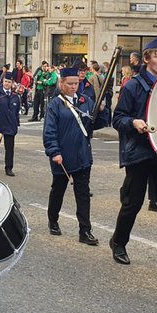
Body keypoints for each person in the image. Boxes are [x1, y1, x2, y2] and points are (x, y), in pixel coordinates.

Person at [109, 36, 157, 278]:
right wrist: (134, 122)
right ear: (146, 59)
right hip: (140, 152)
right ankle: (118, 242)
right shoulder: (132, 86)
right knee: (132, 203)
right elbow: (117, 118)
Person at [42, 66, 108, 244]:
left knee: (83, 194)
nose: (73, 87)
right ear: (61, 83)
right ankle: (53, 219)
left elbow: (96, 124)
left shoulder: (86, 100)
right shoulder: (55, 104)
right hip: (62, 156)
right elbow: (49, 131)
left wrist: (102, 110)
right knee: (58, 190)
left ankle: (85, 231)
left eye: (76, 83)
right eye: (70, 84)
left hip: (82, 155)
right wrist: (54, 151)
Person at [0, 72, 21, 177]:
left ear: (12, 83)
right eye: (5, 81)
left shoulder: (15, 96)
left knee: (9, 149)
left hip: (10, 126)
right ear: (2, 82)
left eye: (9, 82)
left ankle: (9, 168)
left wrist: (16, 124)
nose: (7, 84)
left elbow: (16, 111)